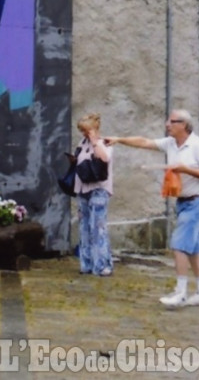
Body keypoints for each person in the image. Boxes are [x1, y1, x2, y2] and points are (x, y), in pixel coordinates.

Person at [106, 108, 199, 308]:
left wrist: (185, 169)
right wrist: (119, 139)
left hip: (198, 201)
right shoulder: (171, 143)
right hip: (183, 203)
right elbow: (144, 142)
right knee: (193, 249)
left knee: (178, 244)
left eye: (172, 121)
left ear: (184, 124)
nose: (167, 124)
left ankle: (181, 293)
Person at [74, 112, 113, 277]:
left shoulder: (105, 143)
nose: (83, 134)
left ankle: (103, 265)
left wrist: (95, 141)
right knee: (84, 227)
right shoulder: (81, 144)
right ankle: (87, 263)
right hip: (83, 188)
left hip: (98, 189)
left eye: (86, 130)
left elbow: (104, 158)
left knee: (98, 228)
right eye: (82, 131)